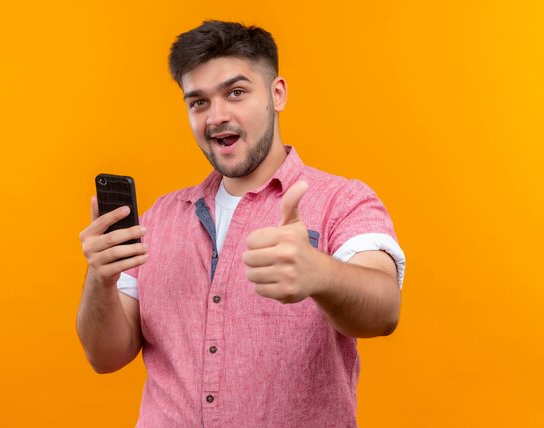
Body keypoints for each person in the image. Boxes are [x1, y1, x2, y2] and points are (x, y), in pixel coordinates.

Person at [77, 20, 406, 427]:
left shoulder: (343, 201)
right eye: (198, 102)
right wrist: (100, 278)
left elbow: (384, 309)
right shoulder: (158, 219)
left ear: (277, 94)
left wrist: (319, 273)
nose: (217, 116)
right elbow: (105, 355)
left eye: (235, 92)